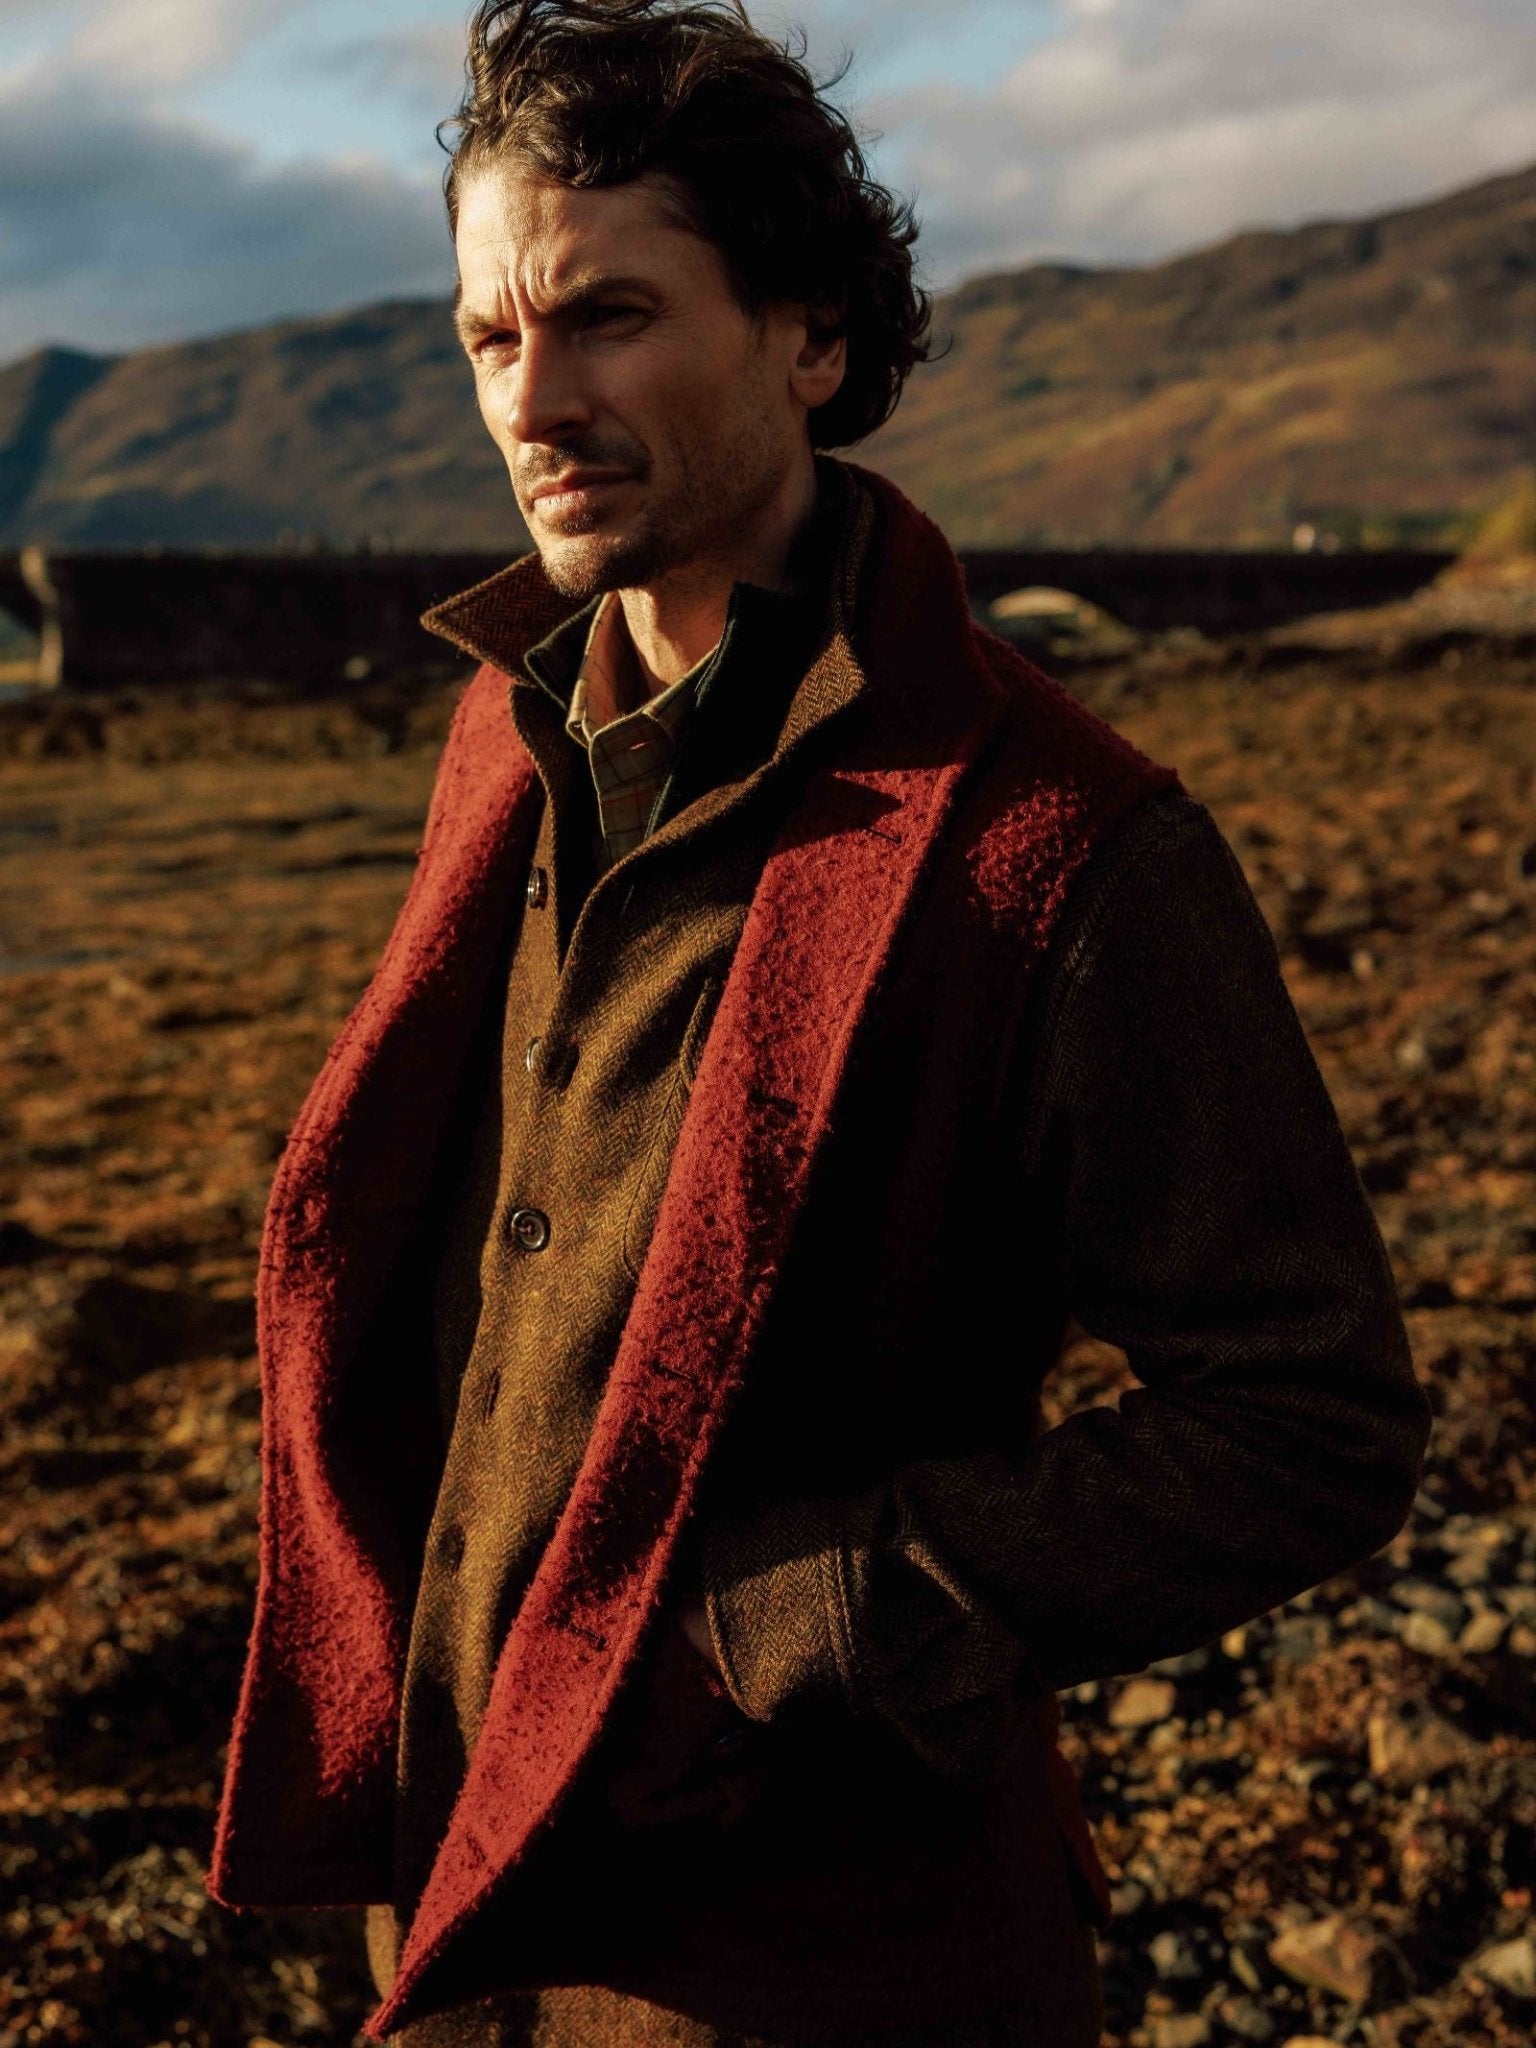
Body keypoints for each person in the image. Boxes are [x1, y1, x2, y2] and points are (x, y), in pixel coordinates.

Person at [206, 4, 1432, 2044]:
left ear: (812, 335)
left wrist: (813, 1616)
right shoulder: (511, 733)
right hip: (471, 1904)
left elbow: (1311, 1418)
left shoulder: (1058, 844)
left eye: (607, 317)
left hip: (828, 1950)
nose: (535, 400)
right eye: (490, 339)